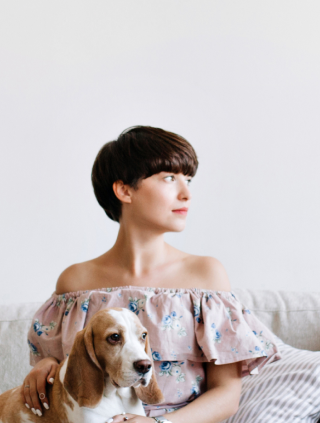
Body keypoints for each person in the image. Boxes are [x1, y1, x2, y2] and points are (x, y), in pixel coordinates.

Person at [22, 126, 279, 423]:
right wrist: (45, 368)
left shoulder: (206, 276)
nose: (186, 193)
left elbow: (226, 396)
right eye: (169, 178)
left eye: (188, 179)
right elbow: (68, 364)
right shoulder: (74, 283)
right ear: (124, 190)